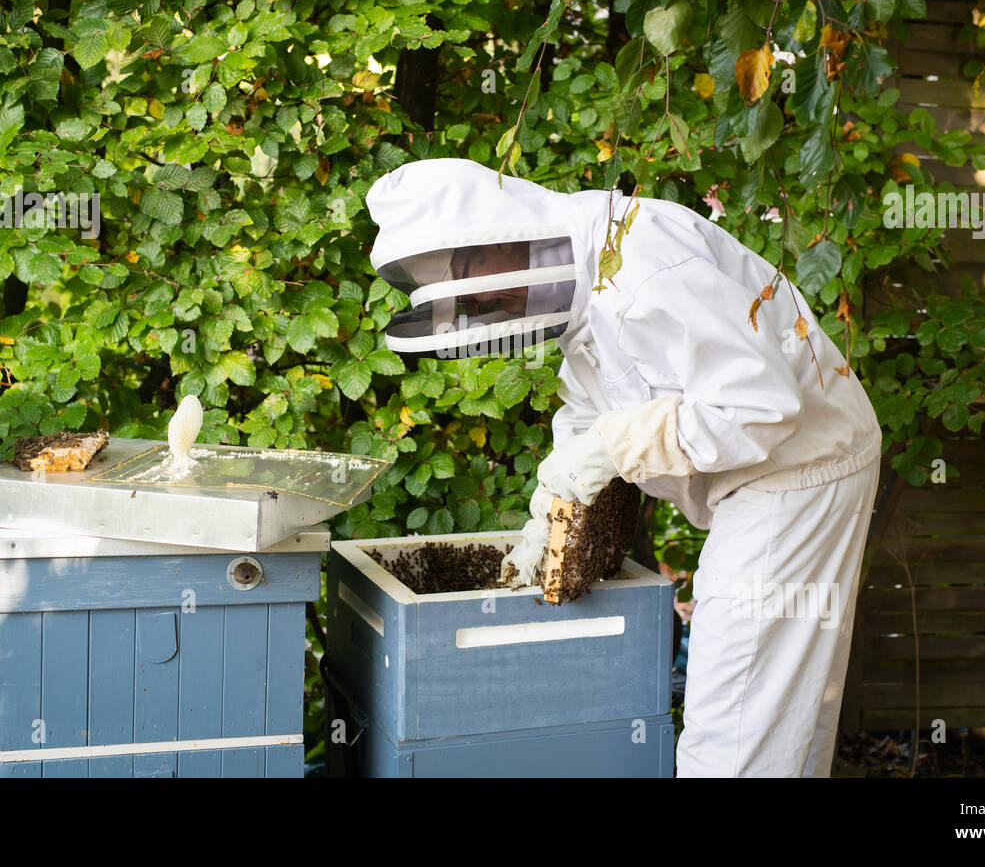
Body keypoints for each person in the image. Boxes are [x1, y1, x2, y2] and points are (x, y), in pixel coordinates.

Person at [365, 158, 882, 777]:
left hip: (798, 471)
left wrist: (615, 448)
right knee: (785, 706)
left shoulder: (642, 262)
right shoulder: (583, 282)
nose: (483, 304)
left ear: (494, 236)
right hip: (770, 475)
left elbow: (760, 407)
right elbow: (589, 411)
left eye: (472, 285)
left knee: (737, 714)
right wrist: (547, 515)